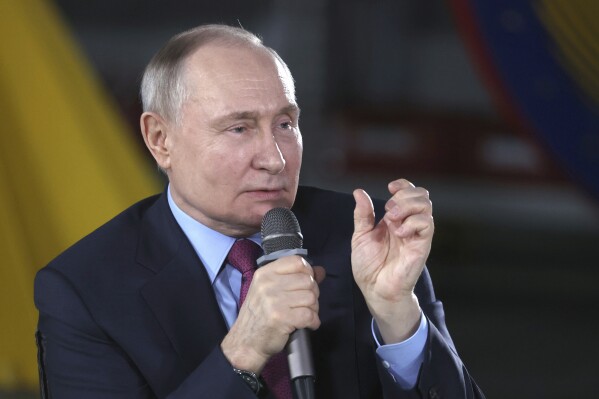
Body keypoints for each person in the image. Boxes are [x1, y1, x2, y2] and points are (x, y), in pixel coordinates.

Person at [34, 24, 485, 399]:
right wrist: (242, 354)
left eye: (285, 124)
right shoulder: (85, 290)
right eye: (238, 128)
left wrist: (396, 314)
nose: (275, 158)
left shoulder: (366, 235)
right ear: (160, 140)